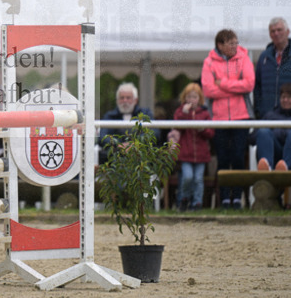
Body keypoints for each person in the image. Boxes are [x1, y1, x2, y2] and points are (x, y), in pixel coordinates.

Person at [201, 28, 255, 208]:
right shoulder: (208, 63)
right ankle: (224, 197)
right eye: (231, 43)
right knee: (223, 158)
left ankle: (237, 197)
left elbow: (249, 84)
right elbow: (208, 90)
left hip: (242, 117)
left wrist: (222, 84)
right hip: (219, 118)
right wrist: (235, 88)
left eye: (236, 42)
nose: (235, 46)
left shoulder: (244, 58)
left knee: (239, 157)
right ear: (220, 45)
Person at [253, 17, 291, 119]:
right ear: (270, 35)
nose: (276, 33)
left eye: (279, 30)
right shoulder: (264, 57)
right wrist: (259, 109)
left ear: (287, 32)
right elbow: (257, 87)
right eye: (273, 31)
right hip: (268, 115)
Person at [166, 83, 214, 211]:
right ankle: (184, 198)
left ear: (200, 99)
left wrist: (202, 129)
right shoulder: (180, 112)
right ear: (184, 98)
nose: (191, 100)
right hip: (185, 153)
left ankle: (197, 203)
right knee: (187, 177)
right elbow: (177, 126)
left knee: (198, 179)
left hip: (201, 154)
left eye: (194, 97)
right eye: (189, 97)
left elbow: (210, 132)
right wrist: (185, 114)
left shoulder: (204, 113)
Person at [98, 82, 156, 164]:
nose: (125, 101)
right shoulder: (109, 116)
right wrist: (119, 145)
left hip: (141, 158)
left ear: (135, 100)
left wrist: (135, 144)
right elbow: (102, 137)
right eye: (122, 98)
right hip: (115, 158)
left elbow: (154, 133)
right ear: (117, 100)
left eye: (128, 98)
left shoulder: (145, 114)